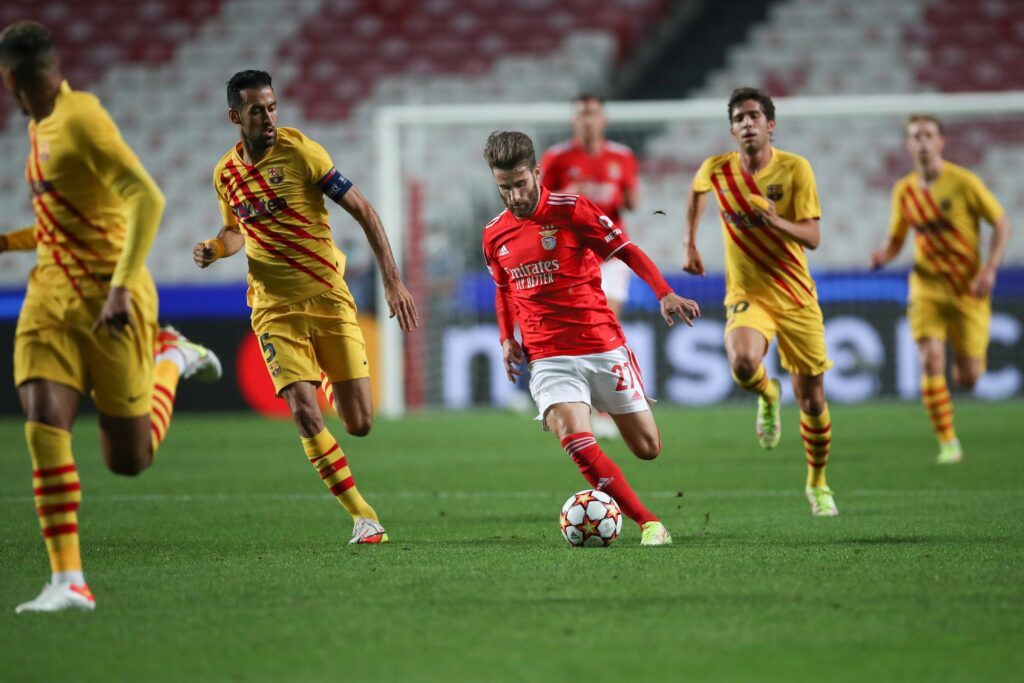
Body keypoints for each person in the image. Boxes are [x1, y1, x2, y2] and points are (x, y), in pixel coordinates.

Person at [0, 21, 221, 613]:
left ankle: (170, 357)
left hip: (112, 303)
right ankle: (68, 580)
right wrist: (7, 242)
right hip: (50, 300)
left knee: (129, 460)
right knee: (43, 417)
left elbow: (147, 196)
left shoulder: (82, 118)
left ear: (15, 77)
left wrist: (122, 288)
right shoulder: (36, 126)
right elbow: (62, 225)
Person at [193, 70, 418, 546]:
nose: (269, 117)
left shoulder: (303, 153)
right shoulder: (225, 174)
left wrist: (393, 281)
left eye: (273, 106)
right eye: (258, 109)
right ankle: (363, 516)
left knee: (359, 424)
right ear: (235, 116)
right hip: (274, 309)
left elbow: (364, 211)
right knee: (303, 410)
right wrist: (217, 247)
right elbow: (236, 230)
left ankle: (332, 384)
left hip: (328, 297)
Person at [482, 130, 700, 546]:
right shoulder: (494, 234)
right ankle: (649, 523)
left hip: (601, 344)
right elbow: (504, 288)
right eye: (504, 188)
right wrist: (506, 338)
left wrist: (664, 292)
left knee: (648, 448)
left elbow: (628, 251)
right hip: (547, 356)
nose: (513, 196)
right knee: (575, 438)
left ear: (537, 173)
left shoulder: (572, 209)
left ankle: (634, 501)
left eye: (520, 184)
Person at [682, 87, 837, 517]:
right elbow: (696, 191)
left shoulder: (795, 170)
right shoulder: (717, 170)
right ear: (732, 130)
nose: (746, 123)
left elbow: (813, 238)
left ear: (770, 124)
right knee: (743, 364)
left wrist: (774, 220)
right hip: (748, 295)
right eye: (738, 118)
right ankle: (768, 396)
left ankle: (817, 483)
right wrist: (689, 242)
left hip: (796, 297)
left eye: (754, 116)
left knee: (812, 401)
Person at [869, 113, 1011, 464]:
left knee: (968, 377)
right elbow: (897, 238)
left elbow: (1002, 222)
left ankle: (968, 366)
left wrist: (990, 268)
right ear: (908, 144)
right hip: (926, 287)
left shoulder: (963, 182)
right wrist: (883, 255)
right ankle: (948, 442)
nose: (922, 142)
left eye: (928, 135)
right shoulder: (904, 190)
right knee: (930, 361)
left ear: (941, 141)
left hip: (968, 290)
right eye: (915, 136)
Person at [540, 94, 638, 439]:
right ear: (573, 121)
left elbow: (631, 201)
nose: (587, 120)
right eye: (581, 115)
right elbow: (541, 206)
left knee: (606, 327)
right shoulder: (556, 158)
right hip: (572, 259)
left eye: (592, 114)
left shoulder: (622, 157)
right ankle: (575, 403)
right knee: (578, 332)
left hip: (610, 254)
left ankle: (610, 409)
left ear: (603, 120)